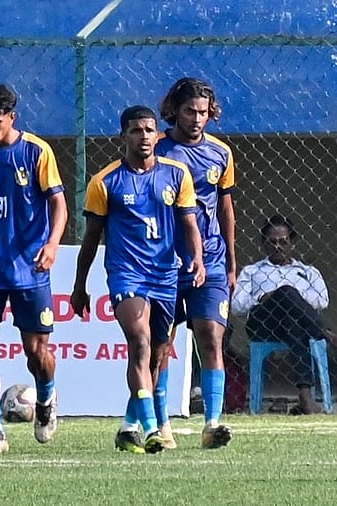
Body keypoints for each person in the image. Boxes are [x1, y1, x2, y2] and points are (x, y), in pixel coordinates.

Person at [71, 105, 205, 455]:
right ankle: (151, 429)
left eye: (149, 130)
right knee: (140, 341)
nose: (143, 136)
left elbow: (190, 224)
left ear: (157, 134)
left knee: (158, 356)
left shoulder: (177, 175)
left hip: (165, 273)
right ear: (123, 136)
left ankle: (129, 425)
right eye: (135, 130)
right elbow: (91, 239)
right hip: (127, 274)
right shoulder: (105, 182)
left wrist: (197, 259)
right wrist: (79, 284)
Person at [0, 84, 67, 454]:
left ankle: (47, 400)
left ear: (12, 119)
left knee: (36, 352)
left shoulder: (36, 151)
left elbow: (59, 205)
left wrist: (51, 245)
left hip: (29, 266)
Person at [140, 77, 236, 449]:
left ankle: (212, 423)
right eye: (189, 112)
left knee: (211, 335)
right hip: (163, 262)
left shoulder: (221, 154)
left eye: (203, 112)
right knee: (161, 345)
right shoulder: (156, 149)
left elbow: (225, 208)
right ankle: (161, 423)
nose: (197, 119)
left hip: (209, 259)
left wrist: (230, 261)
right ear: (174, 112)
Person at [231, 214, 337, 415]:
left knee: (293, 314)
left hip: (296, 323)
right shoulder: (252, 271)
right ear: (264, 244)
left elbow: (322, 300)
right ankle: (329, 336)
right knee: (287, 293)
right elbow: (237, 306)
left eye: (283, 242)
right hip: (264, 323)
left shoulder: (308, 271)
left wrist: (291, 296)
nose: (278, 246)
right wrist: (263, 297)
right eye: (272, 242)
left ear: (292, 244)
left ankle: (305, 398)